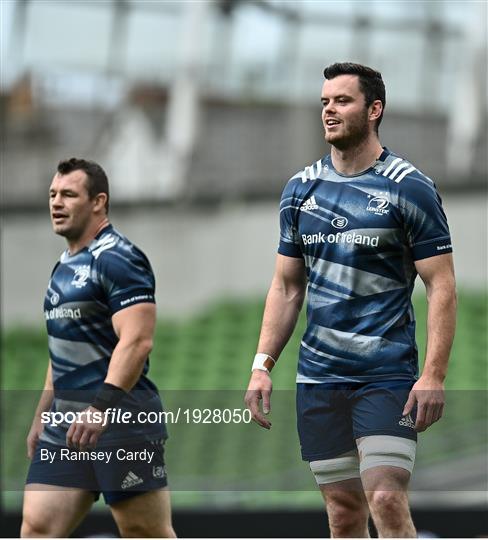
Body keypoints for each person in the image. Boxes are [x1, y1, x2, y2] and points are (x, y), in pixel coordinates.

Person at [245, 62, 456, 538]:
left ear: (374, 109)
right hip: (319, 377)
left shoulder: (409, 187)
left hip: (386, 373)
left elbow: (440, 284)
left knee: (385, 496)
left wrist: (434, 373)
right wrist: (262, 363)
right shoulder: (300, 190)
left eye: (342, 101)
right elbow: (286, 286)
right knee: (342, 512)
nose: (330, 111)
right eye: (325, 102)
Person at [21, 158, 176, 538]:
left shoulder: (118, 258)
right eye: (53, 194)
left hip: (118, 421)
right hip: (66, 426)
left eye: (69, 194)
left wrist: (99, 408)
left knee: (145, 532)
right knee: (37, 528)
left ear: (98, 202)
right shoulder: (62, 267)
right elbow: (63, 349)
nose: (56, 202)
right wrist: (44, 412)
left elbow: (137, 341)